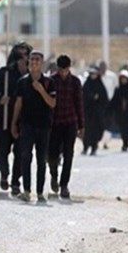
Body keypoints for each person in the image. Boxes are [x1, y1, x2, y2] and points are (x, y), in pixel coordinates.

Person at [11, 50, 56, 203]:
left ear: (42, 63)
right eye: (32, 59)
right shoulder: (22, 82)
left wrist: (41, 90)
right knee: (25, 157)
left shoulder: (49, 82)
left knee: (41, 159)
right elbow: (18, 103)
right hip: (27, 125)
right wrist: (14, 123)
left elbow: (52, 103)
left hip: (43, 126)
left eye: (37, 59)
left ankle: (40, 192)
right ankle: (26, 190)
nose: (34, 62)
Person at [0, 42, 31, 195]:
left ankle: (15, 182)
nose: (23, 58)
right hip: (5, 119)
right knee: (2, 150)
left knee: (20, 152)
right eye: (20, 55)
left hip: (24, 121)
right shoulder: (5, 73)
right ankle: (4, 174)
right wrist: (0, 99)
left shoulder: (31, 77)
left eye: (26, 54)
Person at [48, 55, 84, 199]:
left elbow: (79, 103)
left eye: (66, 70)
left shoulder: (75, 82)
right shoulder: (51, 81)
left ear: (69, 68)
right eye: (61, 70)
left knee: (68, 154)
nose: (63, 73)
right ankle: (54, 175)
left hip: (70, 122)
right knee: (52, 155)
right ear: (58, 68)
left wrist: (81, 125)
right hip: (54, 124)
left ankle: (64, 185)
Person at [82, 67, 109, 156]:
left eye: (95, 74)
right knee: (86, 131)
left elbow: (104, 99)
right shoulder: (86, 85)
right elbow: (82, 97)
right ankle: (85, 147)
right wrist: (91, 97)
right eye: (92, 74)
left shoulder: (100, 85)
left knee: (96, 131)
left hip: (97, 114)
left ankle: (94, 147)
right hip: (87, 112)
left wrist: (98, 101)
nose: (93, 76)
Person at [109, 70, 128, 152]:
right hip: (120, 113)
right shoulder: (118, 89)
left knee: (127, 129)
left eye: (125, 79)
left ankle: (126, 143)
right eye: (122, 79)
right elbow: (114, 100)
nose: (123, 80)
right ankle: (124, 142)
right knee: (122, 129)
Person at [98, 61, 119, 150]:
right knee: (99, 122)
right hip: (99, 104)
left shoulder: (112, 76)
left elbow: (116, 88)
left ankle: (106, 142)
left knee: (109, 123)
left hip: (111, 103)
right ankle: (97, 141)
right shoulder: (97, 77)